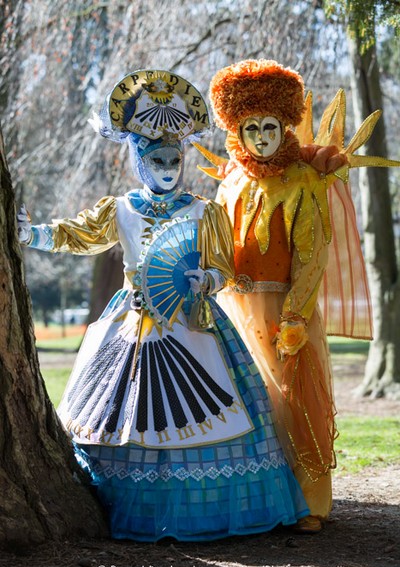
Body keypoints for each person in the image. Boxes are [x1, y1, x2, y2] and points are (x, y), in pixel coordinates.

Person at [17, 69, 309, 542]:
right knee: (125, 415)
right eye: (158, 159)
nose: (169, 167)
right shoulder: (121, 208)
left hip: (192, 324)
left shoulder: (203, 210)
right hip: (131, 325)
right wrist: (33, 235)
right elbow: (77, 234)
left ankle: (204, 512)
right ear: (140, 160)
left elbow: (226, 268)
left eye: (175, 158)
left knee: (206, 410)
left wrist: (206, 279)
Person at [196, 59, 399, 532]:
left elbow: (312, 254)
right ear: (238, 132)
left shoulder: (303, 179)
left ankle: (308, 502)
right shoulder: (232, 182)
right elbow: (220, 244)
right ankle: (259, 498)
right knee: (247, 399)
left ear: (284, 125)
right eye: (252, 128)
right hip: (234, 307)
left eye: (270, 127)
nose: (263, 137)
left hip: (285, 306)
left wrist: (295, 314)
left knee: (293, 398)